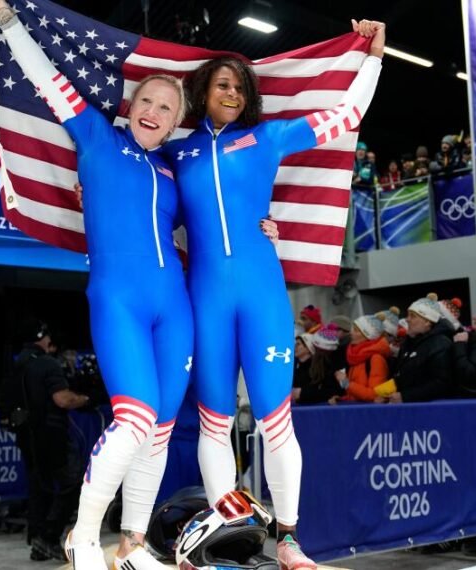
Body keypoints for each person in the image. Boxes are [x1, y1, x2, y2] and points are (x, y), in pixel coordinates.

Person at [0, 2, 199, 567]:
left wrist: (263, 227)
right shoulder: (99, 138)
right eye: (146, 101)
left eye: (166, 107)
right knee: (134, 419)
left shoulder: (175, 169)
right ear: (132, 108)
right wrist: (7, 23)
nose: (154, 110)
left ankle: (133, 543)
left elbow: (219, 215)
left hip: (176, 309)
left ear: (176, 123)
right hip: (119, 299)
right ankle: (82, 534)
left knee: (161, 430)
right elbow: (46, 78)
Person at [164, 19, 384, 568]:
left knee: (273, 419)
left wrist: (374, 57)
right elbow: (132, 181)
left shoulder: (267, 137)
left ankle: (288, 539)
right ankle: (224, 534)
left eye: (240, 87)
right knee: (214, 420)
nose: (232, 94)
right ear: (202, 93)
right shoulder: (177, 151)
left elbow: (346, 116)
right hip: (205, 300)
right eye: (222, 85)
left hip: (261, 294)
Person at [9, 321, 89, 561]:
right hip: (52, 435)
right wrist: (86, 399)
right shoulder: (47, 363)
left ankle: (38, 541)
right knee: (72, 483)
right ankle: (49, 537)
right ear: (43, 338)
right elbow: (63, 399)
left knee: (39, 486)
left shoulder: (15, 364)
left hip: (26, 434)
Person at [376, 294, 453, 403]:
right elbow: (403, 377)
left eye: (413, 316)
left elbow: (442, 382)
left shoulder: (441, 344)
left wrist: (406, 396)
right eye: (408, 315)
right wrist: (387, 394)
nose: (407, 319)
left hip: (429, 410)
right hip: (408, 408)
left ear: (427, 321)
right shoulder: (409, 342)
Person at [337, 314, 390, 403]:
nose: (351, 332)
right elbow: (355, 395)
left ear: (367, 336)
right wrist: (340, 399)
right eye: (353, 329)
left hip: (368, 413)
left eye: (356, 330)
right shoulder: (355, 356)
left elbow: (375, 395)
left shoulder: (376, 359)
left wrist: (346, 383)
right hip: (357, 411)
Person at [292, 326, 341, 405]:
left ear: (308, 348)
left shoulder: (322, 366)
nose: (295, 347)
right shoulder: (296, 366)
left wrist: (302, 393)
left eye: (298, 344)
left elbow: (331, 390)